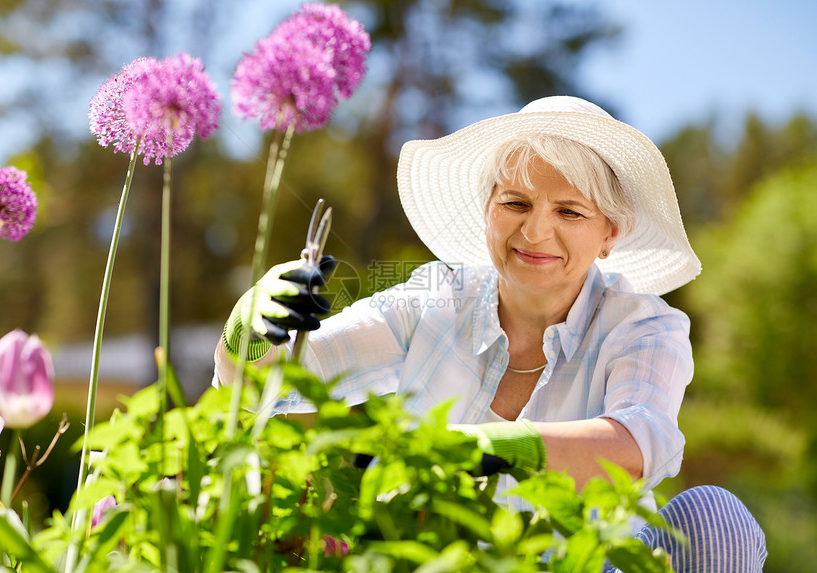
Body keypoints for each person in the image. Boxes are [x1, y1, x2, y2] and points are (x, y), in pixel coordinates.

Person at [214, 96, 766, 572]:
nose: (535, 230)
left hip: (580, 564)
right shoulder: (434, 300)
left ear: (609, 235)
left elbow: (636, 446)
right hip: (433, 560)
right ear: (487, 212)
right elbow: (269, 388)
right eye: (516, 203)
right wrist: (251, 327)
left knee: (716, 522)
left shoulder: (642, 325)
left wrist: (469, 449)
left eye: (570, 211)